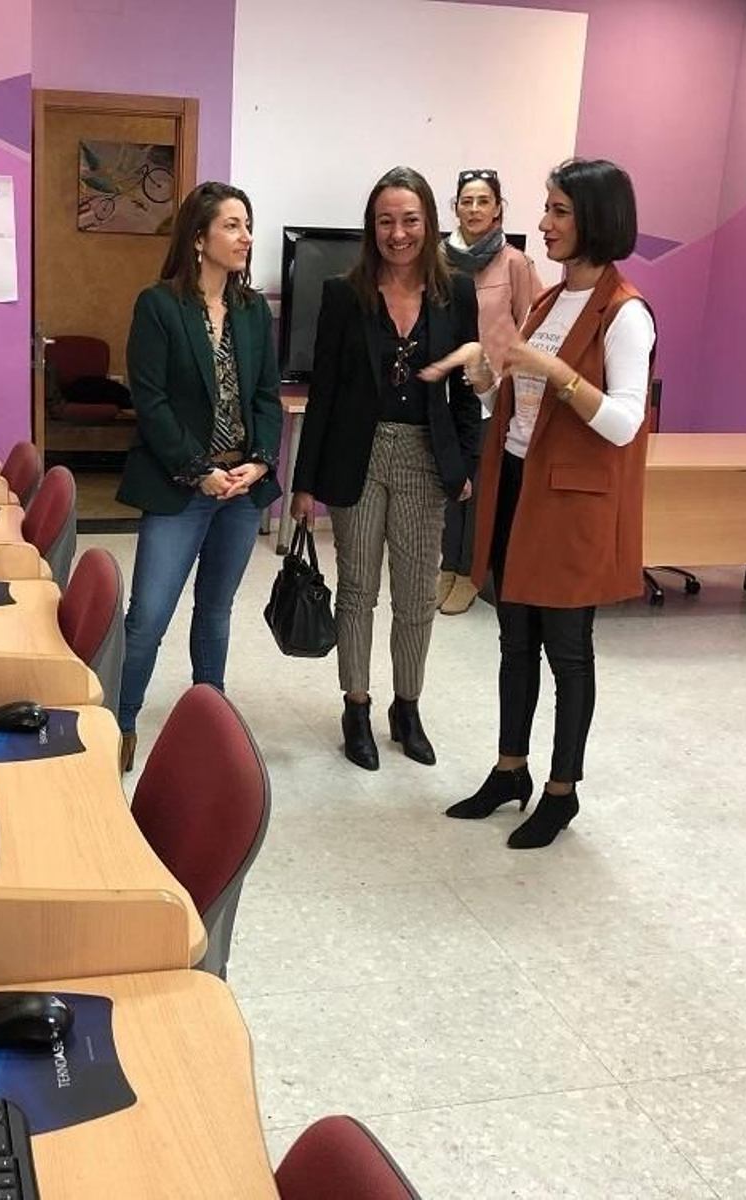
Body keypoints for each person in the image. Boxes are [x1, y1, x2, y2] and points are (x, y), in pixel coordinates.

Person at [422, 158, 656, 849]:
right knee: (513, 641)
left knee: (569, 651)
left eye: (558, 211)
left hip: (573, 502)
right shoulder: (552, 301)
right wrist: (486, 377)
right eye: (547, 209)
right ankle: (510, 770)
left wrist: (554, 372)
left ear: (596, 220)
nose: (545, 224)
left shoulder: (626, 314)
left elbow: (623, 422)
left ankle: (562, 791)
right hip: (521, 484)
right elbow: (515, 403)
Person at [291, 166, 482, 772]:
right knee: (357, 590)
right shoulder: (343, 294)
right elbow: (323, 393)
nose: (398, 233)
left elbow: (466, 388)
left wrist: (467, 462)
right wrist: (304, 483)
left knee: (416, 594)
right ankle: (357, 705)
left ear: (429, 222)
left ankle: (407, 705)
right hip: (359, 455)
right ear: (371, 228)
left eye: (410, 220)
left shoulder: (459, 293)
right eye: (385, 221)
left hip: (427, 457)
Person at [115, 181, 282, 772]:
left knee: (215, 611)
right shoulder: (158, 305)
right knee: (148, 617)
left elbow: (267, 394)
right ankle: (121, 722)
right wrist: (200, 471)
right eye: (233, 225)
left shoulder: (252, 309)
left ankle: (210, 725)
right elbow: (151, 402)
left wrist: (259, 460)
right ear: (198, 237)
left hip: (240, 488)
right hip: (181, 487)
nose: (246, 237)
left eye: (247, 225)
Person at [437, 168, 543, 615]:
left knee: (479, 488)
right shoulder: (437, 258)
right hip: (446, 390)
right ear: (455, 207)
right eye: (467, 201)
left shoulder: (514, 262)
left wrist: (507, 378)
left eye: (483, 201)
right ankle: (446, 567)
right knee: (450, 482)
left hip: (489, 396)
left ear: (498, 208)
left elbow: (533, 324)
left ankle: (470, 573)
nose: (474, 209)